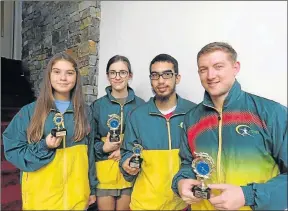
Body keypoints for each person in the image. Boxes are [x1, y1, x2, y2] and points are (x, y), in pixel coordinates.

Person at [172, 42, 287, 210]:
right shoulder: (191, 118)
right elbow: (188, 163)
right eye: (203, 69)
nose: (210, 75)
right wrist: (181, 181)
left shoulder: (272, 113)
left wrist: (247, 195)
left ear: (235, 67)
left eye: (218, 66)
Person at [2, 52, 97, 210]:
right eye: (57, 72)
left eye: (69, 73)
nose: (63, 78)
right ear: (49, 75)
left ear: (76, 77)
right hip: (41, 198)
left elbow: (90, 154)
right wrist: (44, 146)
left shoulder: (85, 112)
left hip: (76, 197)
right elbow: (13, 150)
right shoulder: (29, 112)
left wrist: (92, 188)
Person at [119, 54, 197, 210]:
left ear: (178, 78)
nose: (161, 81)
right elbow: (127, 153)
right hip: (144, 204)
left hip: (181, 204)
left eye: (167, 74)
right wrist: (126, 164)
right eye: (155, 75)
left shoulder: (194, 112)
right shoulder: (136, 115)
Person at [90, 55, 145, 211]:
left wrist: (126, 152)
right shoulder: (97, 106)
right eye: (113, 73)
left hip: (130, 170)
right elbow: (90, 142)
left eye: (122, 72)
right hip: (104, 170)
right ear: (108, 76)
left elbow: (145, 140)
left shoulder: (142, 105)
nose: (117, 77)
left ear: (130, 75)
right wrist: (104, 148)